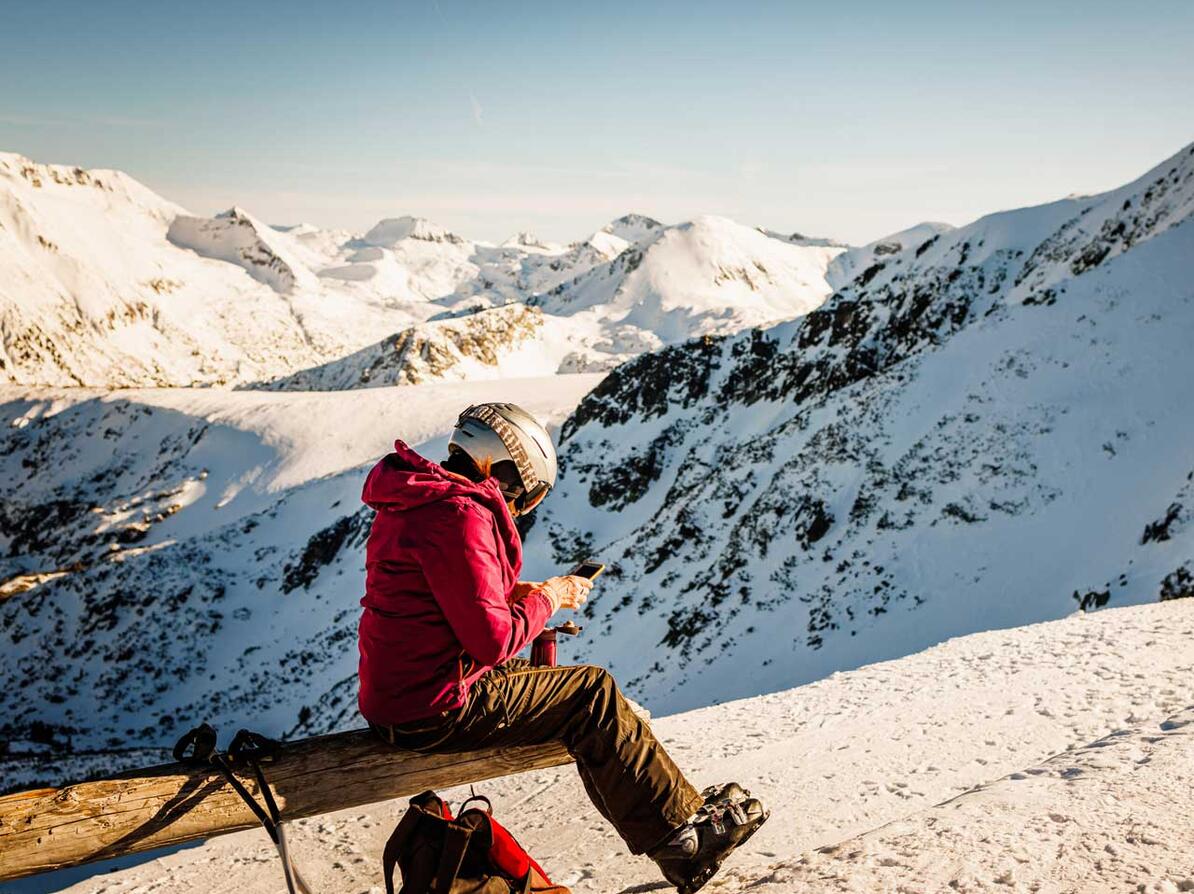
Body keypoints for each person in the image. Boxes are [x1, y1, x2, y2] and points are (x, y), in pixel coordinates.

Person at [357, 402, 767, 893]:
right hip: (435, 707)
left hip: (399, 697)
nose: (515, 506)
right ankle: (680, 838)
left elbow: (430, 593)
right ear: (510, 466)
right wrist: (550, 598)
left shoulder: (418, 499)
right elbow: (492, 643)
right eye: (522, 494)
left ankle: (676, 821)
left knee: (578, 697)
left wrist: (511, 594)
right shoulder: (459, 515)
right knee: (590, 692)